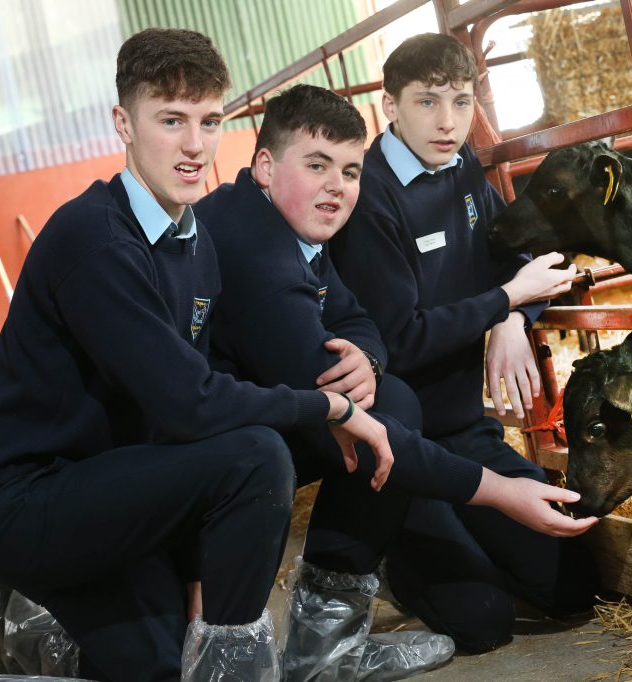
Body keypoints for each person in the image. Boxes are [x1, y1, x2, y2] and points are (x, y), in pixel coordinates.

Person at [0, 28, 397, 682]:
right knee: (256, 453)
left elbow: (183, 422)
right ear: (123, 124)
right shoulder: (96, 241)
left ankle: (41, 631)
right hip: (22, 501)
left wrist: (197, 582)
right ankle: (219, 668)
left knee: (163, 664)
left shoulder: (194, 241)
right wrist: (330, 405)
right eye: (171, 120)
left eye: (209, 121)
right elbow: (191, 404)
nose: (194, 145)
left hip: (118, 486)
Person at [195, 83, 598, 680]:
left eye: (348, 170)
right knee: (480, 616)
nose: (337, 186)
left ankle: (327, 640)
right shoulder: (259, 249)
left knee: (569, 584)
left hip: (434, 428)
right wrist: (499, 491)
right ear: (265, 167)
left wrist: (368, 356)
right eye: (316, 165)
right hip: (194, 466)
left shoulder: (298, 223)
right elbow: (363, 409)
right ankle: (311, 644)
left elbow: (357, 320)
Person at [331, 33, 603, 653]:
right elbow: (398, 342)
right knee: (483, 623)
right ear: (390, 105)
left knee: (572, 586)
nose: (448, 122)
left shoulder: (462, 169)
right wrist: (503, 300)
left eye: (461, 101)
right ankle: (399, 556)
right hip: (401, 449)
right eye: (427, 102)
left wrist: (513, 319)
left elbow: (524, 256)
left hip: (464, 429)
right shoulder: (369, 198)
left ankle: (465, 534)